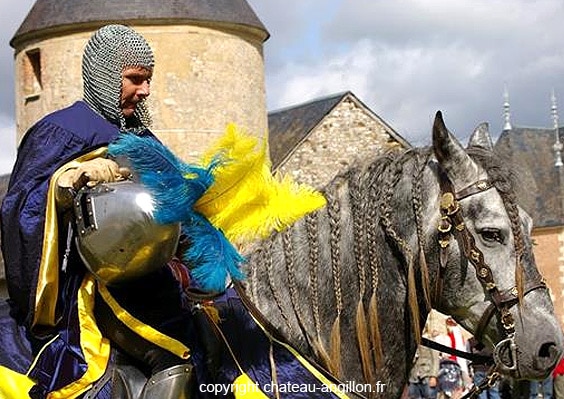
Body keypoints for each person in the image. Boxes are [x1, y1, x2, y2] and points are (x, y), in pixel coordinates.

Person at [1, 24, 198, 398]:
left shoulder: (144, 140)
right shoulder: (62, 131)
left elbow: (177, 212)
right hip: (96, 287)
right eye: (135, 79)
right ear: (105, 75)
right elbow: (20, 208)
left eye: (148, 80)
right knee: (173, 359)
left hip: (156, 279)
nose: (146, 91)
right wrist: (66, 182)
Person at [408, 329, 440, 399]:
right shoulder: (412, 340)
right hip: (414, 376)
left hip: (427, 376)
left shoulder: (430, 340)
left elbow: (435, 359)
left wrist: (433, 376)